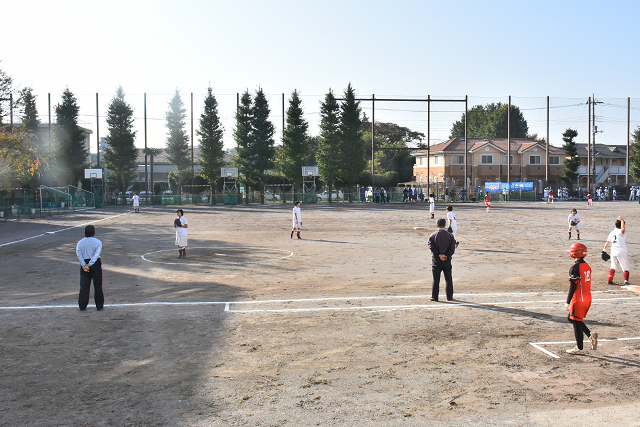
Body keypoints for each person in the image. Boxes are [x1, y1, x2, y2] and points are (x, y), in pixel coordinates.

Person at [564, 242, 597, 355]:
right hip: (587, 298)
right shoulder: (587, 266)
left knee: (576, 323)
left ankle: (580, 348)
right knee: (571, 318)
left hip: (579, 299)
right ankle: (590, 335)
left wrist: (567, 302)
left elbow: (573, 286)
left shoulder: (574, 268)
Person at [75, 225, 104, 311]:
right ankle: (99, 306)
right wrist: (90, 264)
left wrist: (84, 264)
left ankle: (82, 306)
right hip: (95, 264)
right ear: (94, 232)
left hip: (84, 264)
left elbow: (79, 253)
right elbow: (96, 255)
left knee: (84, 286)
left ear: (85, 232)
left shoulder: (80, 242)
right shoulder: (98, 242)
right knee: (98, 285)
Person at [428, 218, 457, 302]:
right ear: (445, 225)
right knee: (448, 278)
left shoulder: (433, 235)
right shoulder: (450, 235)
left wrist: (439, 255)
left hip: (436, 260)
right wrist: (446, 255)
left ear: (437, 226)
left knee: (436, 279)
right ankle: (449, 296)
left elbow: (431, 246)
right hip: (447, 260)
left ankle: (434, 296)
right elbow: (452, 248)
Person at [603, 216, 630, 285]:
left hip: (614, 252)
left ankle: (609, 280)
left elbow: (608, 242)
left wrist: (604, 250)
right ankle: (626, 281)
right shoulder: (620, 232)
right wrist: (622, 221)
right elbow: (623, 229)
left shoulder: (612, 232)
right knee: (625, 268)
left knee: (613, 266)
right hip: (622, 252)